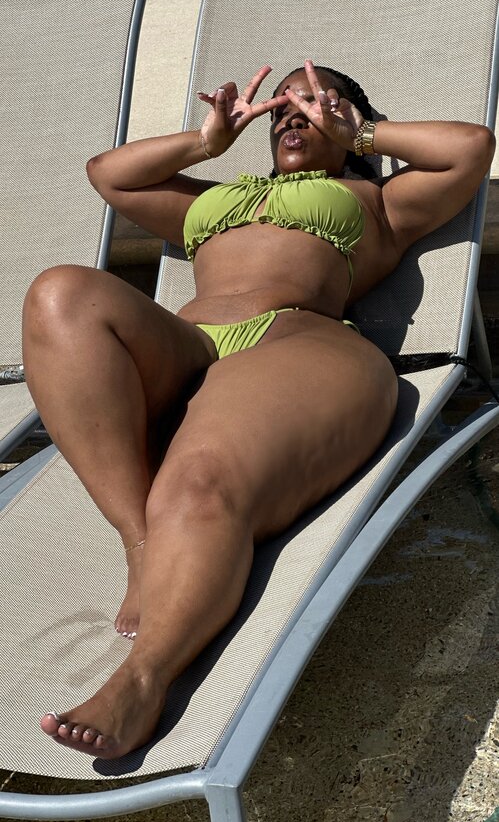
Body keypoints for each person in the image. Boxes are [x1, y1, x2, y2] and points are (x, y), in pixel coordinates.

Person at [23, 59, 495, 760]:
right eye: (280, 109)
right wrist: (206, 143)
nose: (291, 116)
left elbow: (471, 147)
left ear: (348, 119)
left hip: (298, 346)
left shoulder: (380, 202)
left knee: (199, 482)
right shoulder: (212, 200)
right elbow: (108, 174)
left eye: (313, 104)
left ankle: (142, 680)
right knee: (60, 292)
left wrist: (363, 133)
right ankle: (140, 541)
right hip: (186, 345)